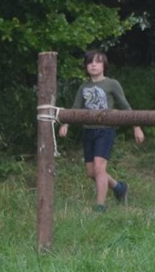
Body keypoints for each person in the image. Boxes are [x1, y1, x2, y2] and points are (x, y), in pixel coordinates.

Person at [58, 49, 144, 210]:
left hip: (105, 130)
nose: (93, 65)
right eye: (90, 62)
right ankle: (119, 188)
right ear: (86, 67)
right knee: (91, 172)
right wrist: (66, 123)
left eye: (97, 61)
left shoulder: (112, 84)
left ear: (104, 64)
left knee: (99, 168)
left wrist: (136, 126)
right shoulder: (84, 86)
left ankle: (100, 207)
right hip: (88, 131)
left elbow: (125, 106)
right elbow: (76, 108)